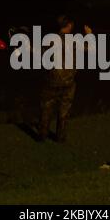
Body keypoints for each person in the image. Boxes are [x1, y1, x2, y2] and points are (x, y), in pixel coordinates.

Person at [38, 15, 92, 143]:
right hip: (68, 83)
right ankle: (60, 138)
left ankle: (41, 137)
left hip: (51, 82)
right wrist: (89, 34)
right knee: (64, 112)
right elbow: (89, 48)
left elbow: (39, 53)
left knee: (46, 110)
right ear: (68, 25)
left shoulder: (49, 40)